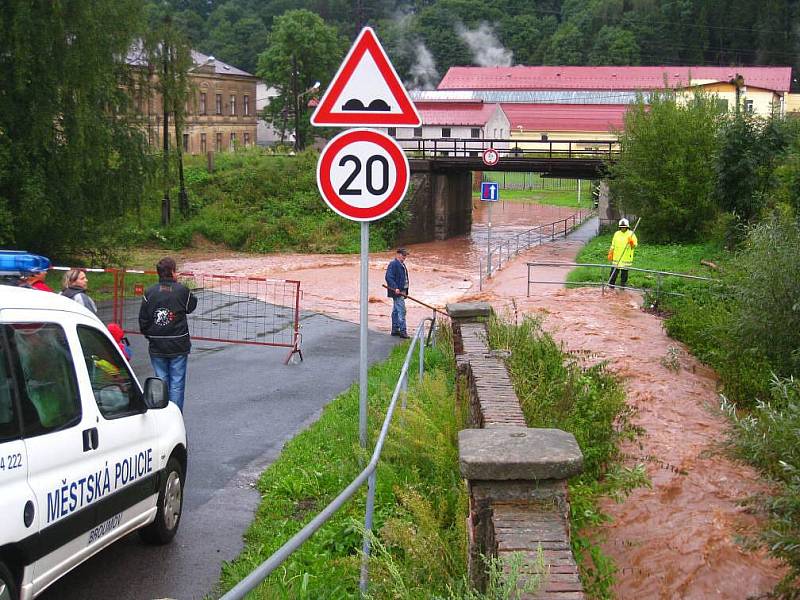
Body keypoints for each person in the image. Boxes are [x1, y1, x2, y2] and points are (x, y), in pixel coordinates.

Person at [138, 257, 197, 412]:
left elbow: (143, 320)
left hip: (157, 344)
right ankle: (175, 416)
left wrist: (150, 335)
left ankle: (161, 415)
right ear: (172, 272)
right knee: (177, 383)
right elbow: (192, 306)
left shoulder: (149, 292)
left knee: (160, 381)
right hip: (178, 344)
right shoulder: (182, 291)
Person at [385, 248, 410, 338]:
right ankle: (403, 331)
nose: (405, 257)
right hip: (397, 292)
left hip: (402, 291)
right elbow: (388, 277)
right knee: (402, 311)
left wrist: (405, 291)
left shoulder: (402, 264)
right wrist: (395, 288)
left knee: (396, 311)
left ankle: (395, 329)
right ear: (398, 254)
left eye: (405, 255)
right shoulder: (393, 264)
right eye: (403, 255)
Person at [607, 218, 638, 289]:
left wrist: (631, 242)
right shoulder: (616, 234)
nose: (622, 228)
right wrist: (610, 252)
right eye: (621, 227)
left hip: (626, 258)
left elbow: (634, 246)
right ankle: (611, 286)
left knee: (624, 274)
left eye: (624, 227)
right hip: (616, 258)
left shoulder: (631, 234)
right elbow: (613, 244)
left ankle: (622, 286)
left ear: (627, 227)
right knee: (613, 273)